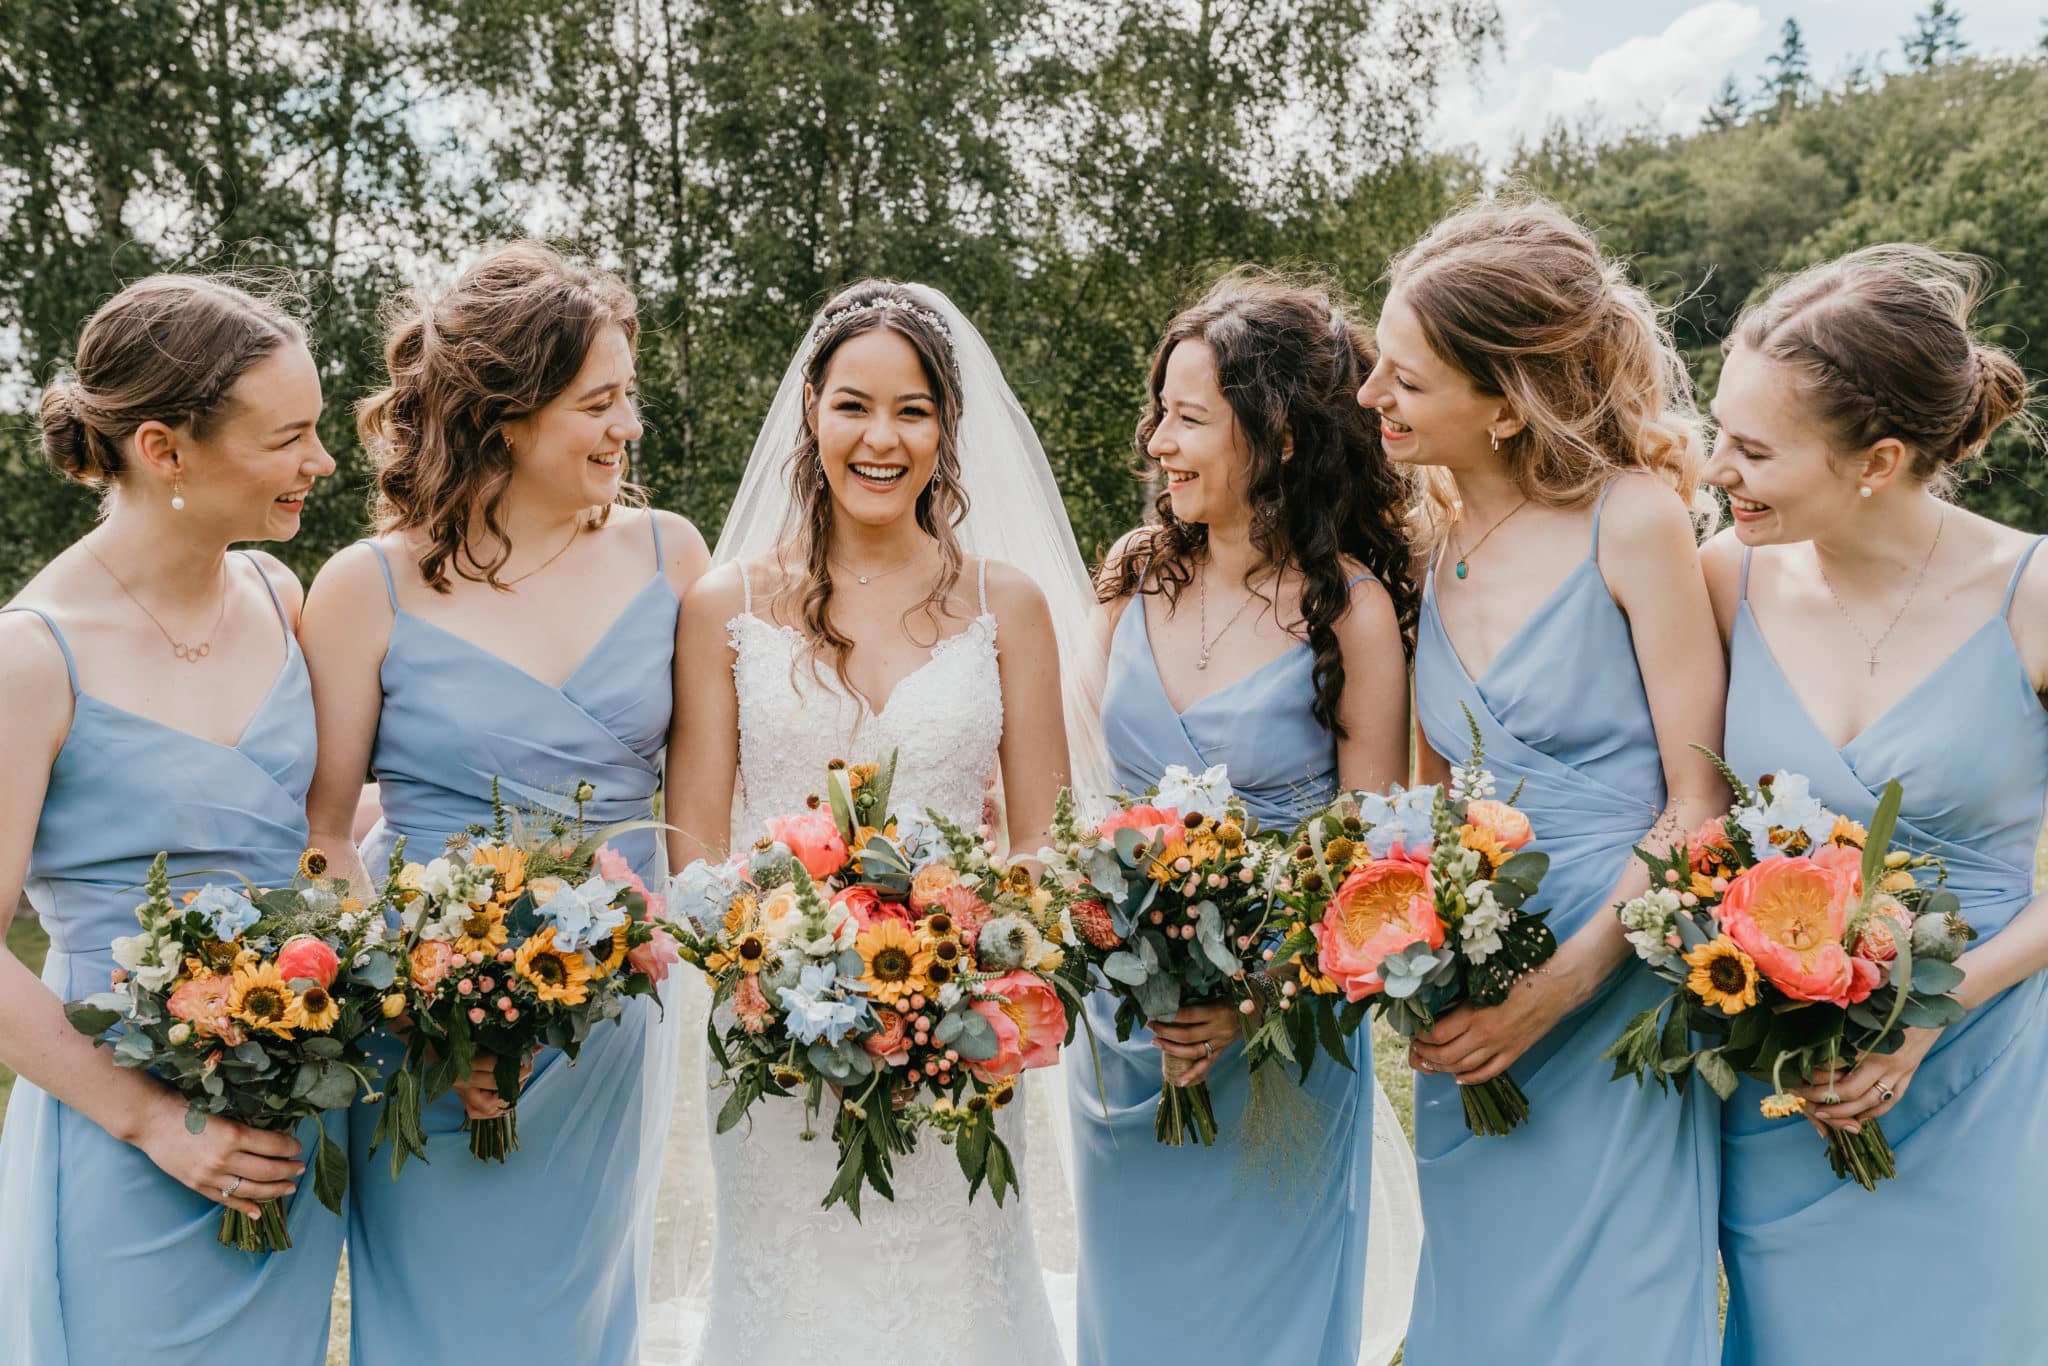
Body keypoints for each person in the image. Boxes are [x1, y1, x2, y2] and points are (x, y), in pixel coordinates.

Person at [0, 275, 341, 1364]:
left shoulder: (282, 598)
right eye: (289, 437)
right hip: (124, 1131)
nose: (321, 462)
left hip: (285, 1120)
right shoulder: (31, 653)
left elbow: (324, 846)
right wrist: (155, 1122)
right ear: (164, 448)